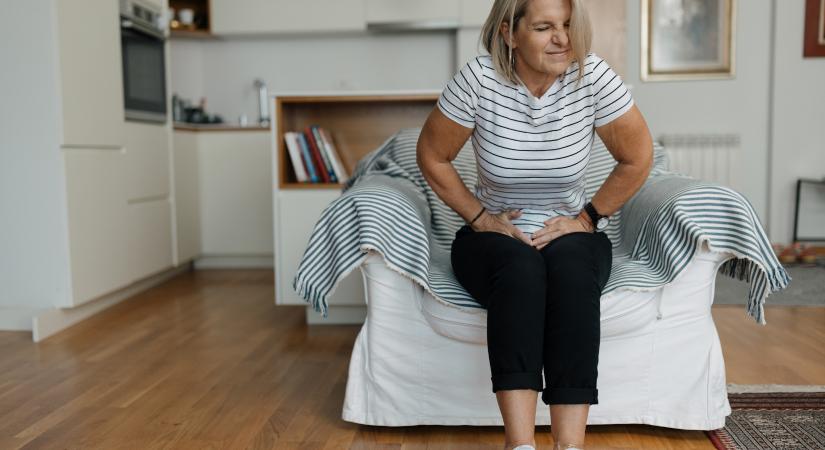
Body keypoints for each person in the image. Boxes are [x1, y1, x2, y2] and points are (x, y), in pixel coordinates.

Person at [415, 0, 654, 449]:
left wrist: (587, 218)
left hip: (569, 230)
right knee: (522, 270)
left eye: (567, 25)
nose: (563, 38)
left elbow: (638, 156)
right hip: (493, 236)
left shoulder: (592, 77)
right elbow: (432, 155)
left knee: (570, 272)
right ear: (509, 33)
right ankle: (520, 444)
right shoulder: (479, 79)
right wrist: (482, 217)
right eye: (544, 27)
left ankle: (569, 445)